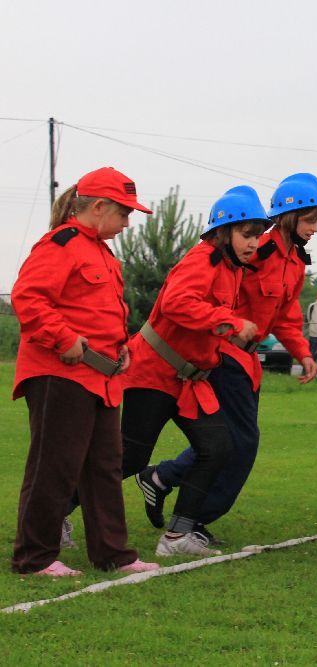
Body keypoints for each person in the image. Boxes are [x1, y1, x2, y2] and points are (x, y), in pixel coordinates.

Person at [137, 174, 317, 545]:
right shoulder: (257, 250)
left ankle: (162, 480)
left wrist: (303, 353)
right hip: (222, 355)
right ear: (289, 216)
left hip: (246, 361)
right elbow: (209, 288)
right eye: (311, 220)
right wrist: (226, 324)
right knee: (239, 442)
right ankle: (191, 517)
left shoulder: (294, 263)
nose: (316, 228)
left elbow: (285, 316)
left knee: (227, 441)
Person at [11, 167, 159, 576]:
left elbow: (101, 313)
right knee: (54, 466)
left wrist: (124, 347)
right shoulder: (61, 245)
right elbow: (28, 299)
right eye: (124, 213)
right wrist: (64, 340)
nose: (128, 222)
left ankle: (113, 554)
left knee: (105, 467)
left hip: (102, 377)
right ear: (98, 207)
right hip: (60, 374)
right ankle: (34, 558)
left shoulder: (100, 251)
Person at [120, 185, 268, 556]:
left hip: (187, 379)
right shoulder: (203, 261)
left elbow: (200, 323)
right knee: (127, 459)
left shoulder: (231, 268)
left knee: (218, 446)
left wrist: (232, 337)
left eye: (257, 236)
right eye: (247, 235)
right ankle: (55, 514)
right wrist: (231, 323)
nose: (253, 243)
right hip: (153, 373)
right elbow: (176, 304)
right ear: (223, 231)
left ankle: (177, 537)